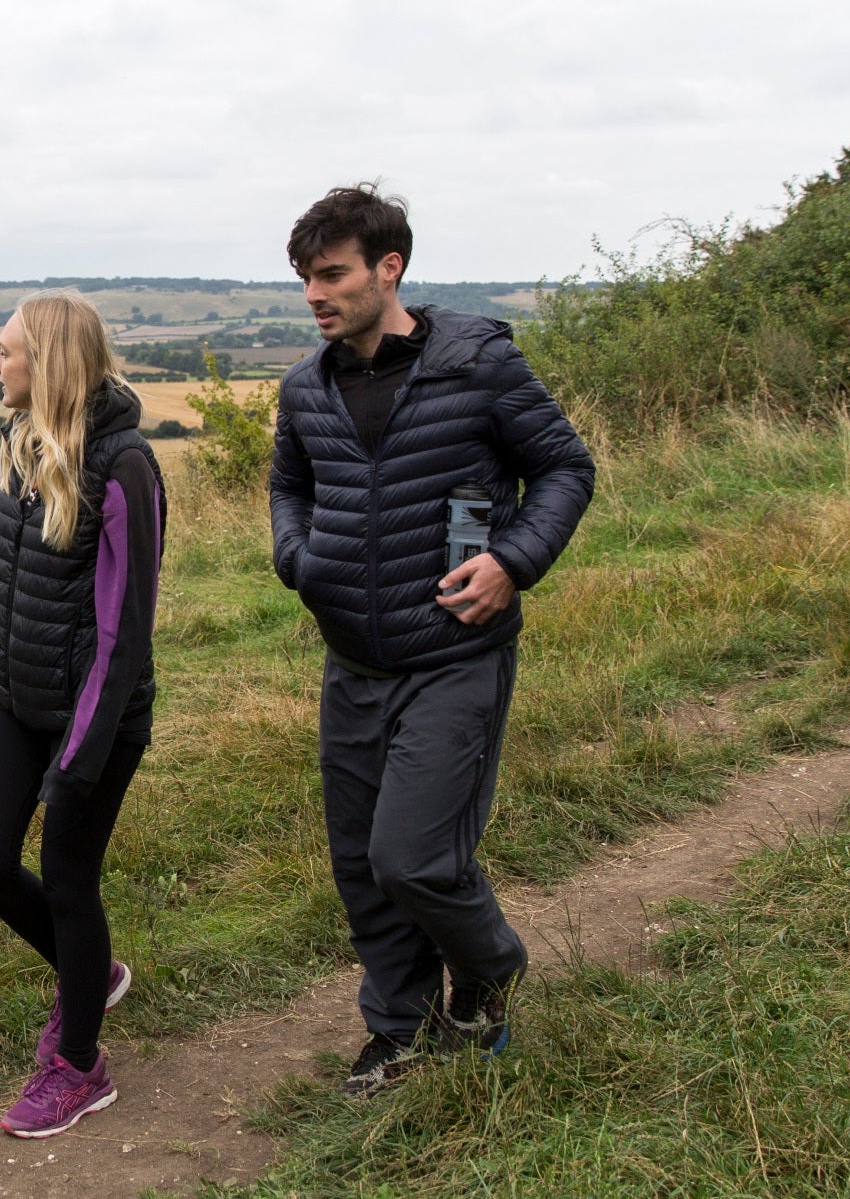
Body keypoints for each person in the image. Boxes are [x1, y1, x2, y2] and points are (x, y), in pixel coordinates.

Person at [267, 186, 596, 1098]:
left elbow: (565, 467)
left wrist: (513, 563)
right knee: (361, 870)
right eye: (304, 279)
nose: (314, 296)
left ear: (389, 268)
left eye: (330, 275)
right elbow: (289, 488)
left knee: (413, 858)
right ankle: (400, 1033)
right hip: (353, 660)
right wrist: (297, 558)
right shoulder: (308, 386)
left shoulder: (477, 366)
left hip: (456, 655)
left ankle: (489, 972)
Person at [0, 289, 166, 1140]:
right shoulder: (19, 445)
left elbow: (123, 635)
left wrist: (77, 759)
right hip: (16, 700)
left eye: (5, 349)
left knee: (71, 881)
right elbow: (13, 594)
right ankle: (91, 974)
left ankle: (80, 1067)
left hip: (96, 719)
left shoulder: (123, 467)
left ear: (46, 363)